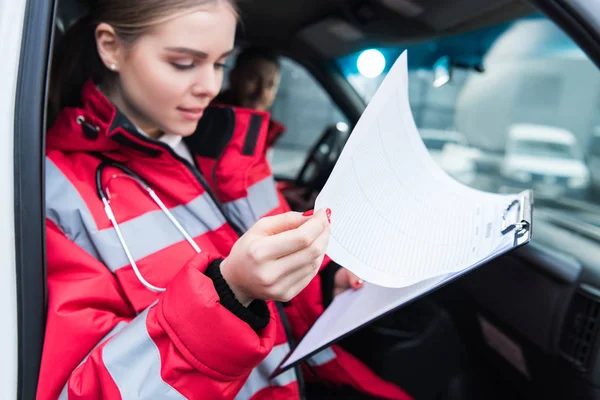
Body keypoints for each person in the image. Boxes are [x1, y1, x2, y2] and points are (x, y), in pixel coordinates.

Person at [40, 1, 413, 399]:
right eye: (184, 62)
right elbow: (85, 390)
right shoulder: (57, 197)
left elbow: (281, 292)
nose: (211, 86)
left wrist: (322, 281)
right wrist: (229, 293)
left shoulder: (233, 150)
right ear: (111, 47)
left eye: (220, 64)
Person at [214, 46, 286, 158]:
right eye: (253, 79)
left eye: (270, 85)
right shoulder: (204, 122)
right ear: (233, 77)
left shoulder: (266, 132)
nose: (261, 92)